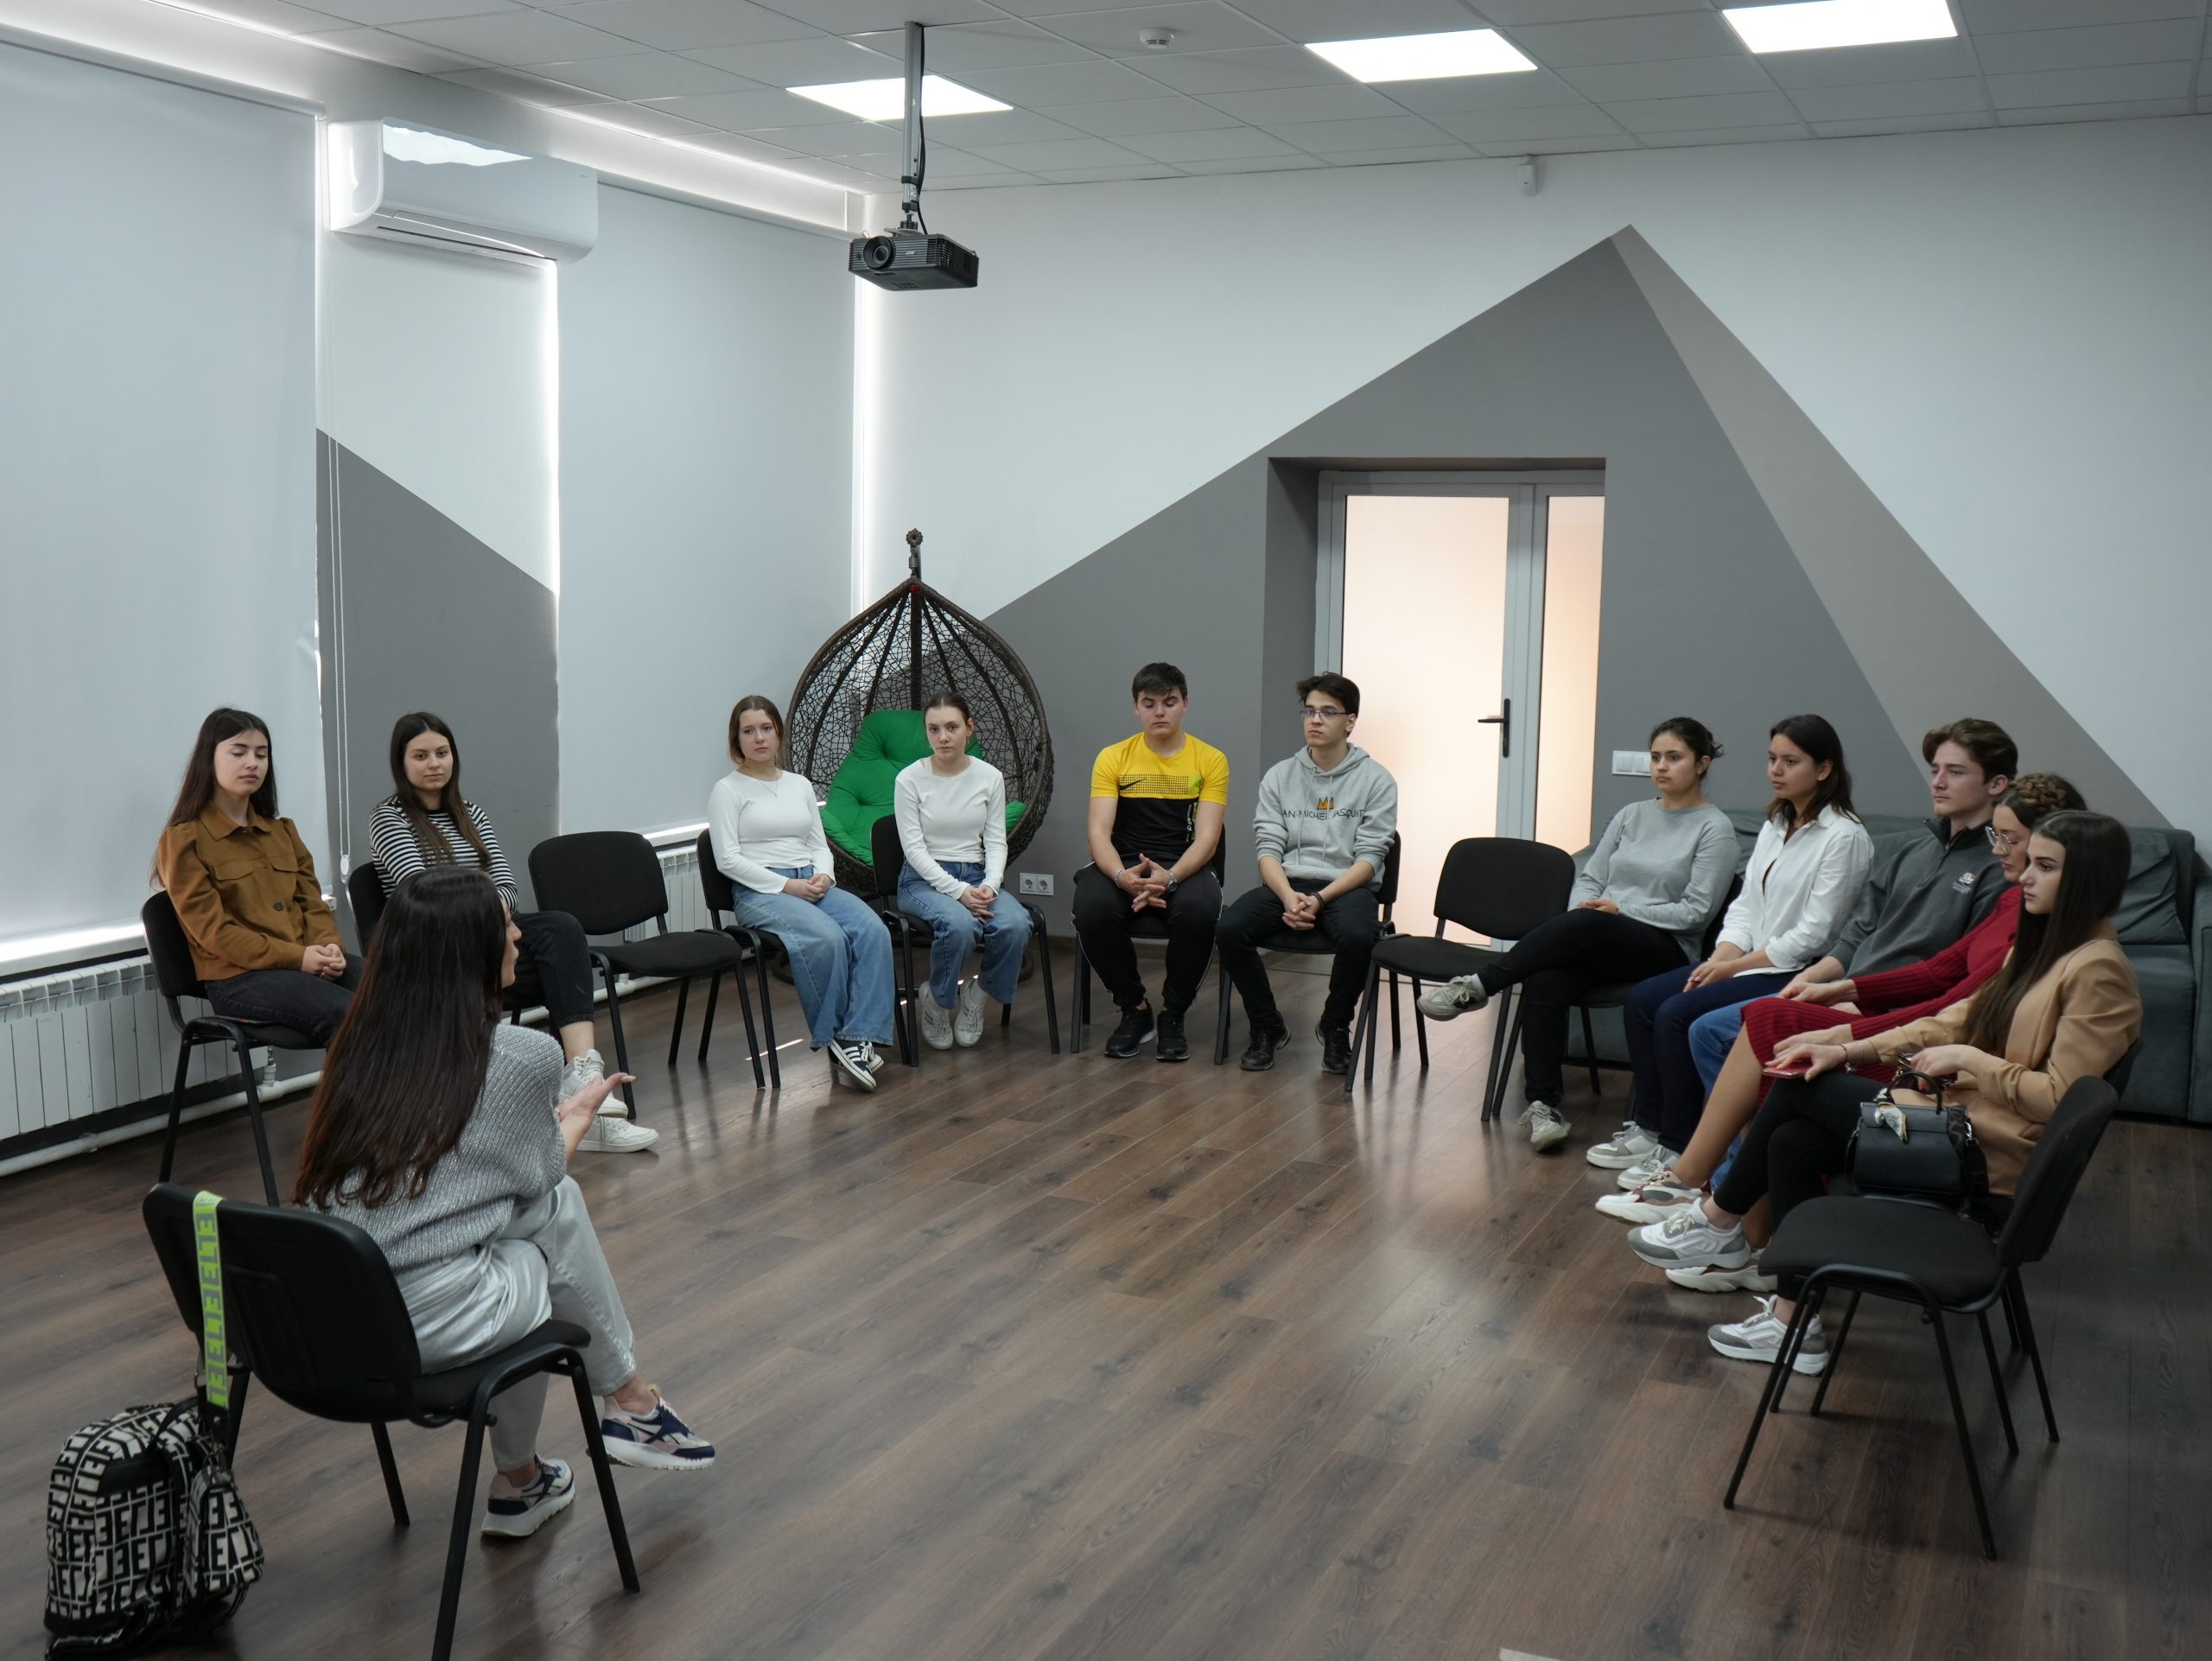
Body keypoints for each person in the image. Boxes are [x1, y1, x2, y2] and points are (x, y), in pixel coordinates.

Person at [1624, 810, 2142, 1374]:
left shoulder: (2099, 972)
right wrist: (1850, 1049)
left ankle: (1720, 1217)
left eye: (2045, 866)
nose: (2025, 877)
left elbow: (2060, 1099)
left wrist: (1970, 1060)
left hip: (1985, 1154)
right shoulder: (2045, 948)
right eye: (2031, 862)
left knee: (1800, 1091)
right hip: (1959, 1125)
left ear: (2086, 879)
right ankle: (1792, 1321)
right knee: (1793, 1140)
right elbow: (1954, 1020)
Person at [296, 869, 714, 1538]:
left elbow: (450, 1162)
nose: (519, 934)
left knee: (536, 1219)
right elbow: (542, 1176)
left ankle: (540, 1473)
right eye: (507, 924)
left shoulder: (359, 1044)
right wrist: (577, 1118)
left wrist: (546, 1127)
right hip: (428, 1330)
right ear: (471, 948)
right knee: (550, 1221)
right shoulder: (520, 1054)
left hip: (331, 1326)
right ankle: (621, 1409)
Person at [1601, 774, 2088, 1270]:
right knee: (1758, 1045)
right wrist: (1846, 989)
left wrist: (1849, 1034)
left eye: (2011, 840)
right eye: (1997, 836)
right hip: (1925, 1042)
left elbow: (1954, 1012)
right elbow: (1939, 972)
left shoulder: (2047, 930)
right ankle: (1743, 1232)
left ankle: (1709, 1200)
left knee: (1774, 1032)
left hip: (1943, 1074)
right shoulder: (2013, 902)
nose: (1999, 849)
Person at [1417, 716, 1737, 1148]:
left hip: (1666, 948)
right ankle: (1542, 1106)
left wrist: (1616, 911)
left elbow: (1695, 913)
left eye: (1674, 758)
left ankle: (1481, 984)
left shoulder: (1714, 828)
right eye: (1656, 757)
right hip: (1600, 936)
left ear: (1701, 764)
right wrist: (1581, 913)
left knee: (1589, 923)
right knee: (1546, 977)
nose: (1661, 766)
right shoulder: (1631, 815)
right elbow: (1589, 879)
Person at [1591, 715, 1872, 1180]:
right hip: (1746, 961)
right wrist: (1721, 959)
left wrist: (1733, 968)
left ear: (1824, 769)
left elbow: (1816, 935)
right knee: (1643, 1000)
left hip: (1795, 971)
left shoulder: (1844, 836)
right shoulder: (1777, 822)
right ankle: (1649, 1126)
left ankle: (1678, 1146)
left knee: (1675, 1013)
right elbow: (1744, 909)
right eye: (1772, 759)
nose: (1775, 770)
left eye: (1791, 762)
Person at [1675, 717, 2014, 1103]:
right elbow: (1857, 932)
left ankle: (1736, 1142)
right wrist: (1810, 982)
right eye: (1935, 770)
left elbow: (1953, 977)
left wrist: (1860, 998)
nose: (1938, 782)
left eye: (1956, 772)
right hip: (1849, 990)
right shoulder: (1914, 852)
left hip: (1892, 1010)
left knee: (1714, 1030)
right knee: (1706, 1021)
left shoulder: (1999, 869)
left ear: (1996, 784)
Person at [369, 712, 654, 1154]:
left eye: (442, 753)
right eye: (420, 756)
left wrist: (492, 910)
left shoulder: (470, 813)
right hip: (436, 959)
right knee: (558, 966)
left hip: (487, 943)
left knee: (561, 928)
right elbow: (422, 891)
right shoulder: (389, 819)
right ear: (400, 763)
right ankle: (582, 1113)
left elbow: (505, 883)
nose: (434, 764)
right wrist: (487, 912)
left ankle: (584, 1080)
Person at [707, 695, 896, 1091]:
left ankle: (857, 1035)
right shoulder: (727, 790)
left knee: (874, 930)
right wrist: (786, 886)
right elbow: (727, 860)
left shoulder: (800, 785)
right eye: (748, 731)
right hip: (761, 892)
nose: (759, 737)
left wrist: (824, 876)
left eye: (766, 728)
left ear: (778, 733)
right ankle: (839, 1038)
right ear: (737, 740)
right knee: (827, 939)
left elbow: (818, 844)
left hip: (811, 881)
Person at [1216, 673, 1398, 1076]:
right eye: (1310, 711)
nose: (1315, 720)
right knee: (1230, 928)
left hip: (1346, 887)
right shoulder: (1280, 776)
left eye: (1328, 712)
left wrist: (1319, 899)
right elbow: (1267, 849)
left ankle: (1335, 1025)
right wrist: (1287, 895)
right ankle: (1267, 1025)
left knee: (1359, 935)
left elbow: (1370, 859)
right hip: (1288, 884)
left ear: (1350, 722)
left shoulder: (1377, 780)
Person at [155, 708, 355, 1041]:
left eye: (262, 755)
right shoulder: (184, 840)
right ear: (208, 759)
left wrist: (328, 946)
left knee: (396, 994)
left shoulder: (282, 831)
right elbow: (215, 933)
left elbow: (311, 903)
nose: (253, 763)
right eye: (239, 753)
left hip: (301, 962)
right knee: (352, 1015)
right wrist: (298, 957)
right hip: (238, 979)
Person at [1072, 663, 1230, 1062]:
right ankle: (1135, 1009)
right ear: (1136, 708)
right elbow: (1098, 833)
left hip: (1183, 866)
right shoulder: (1112, 757)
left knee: (1200, 909)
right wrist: (1122, 877)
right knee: (1090, 906)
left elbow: (1208, 839)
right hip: (1124, 865)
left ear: (1185, 704)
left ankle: (1173, 1013)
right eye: (1149, 704)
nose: (1159, 712)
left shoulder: (1211, 759)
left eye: (1169, 702)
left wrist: (1170, 878)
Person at [891, 690, 1033, 1049]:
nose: (943, 737)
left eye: (952, 727)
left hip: (977, 874)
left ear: (969, 728)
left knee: (1016, 925)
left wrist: (990, 885)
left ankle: (978, 994)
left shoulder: (989, 777)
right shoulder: (909, 779)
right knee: (959, 924)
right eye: (934, 729)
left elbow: (996, 842)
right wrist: (958, 892)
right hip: (922, 880)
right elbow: (914, 850)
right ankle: (938, 1001)